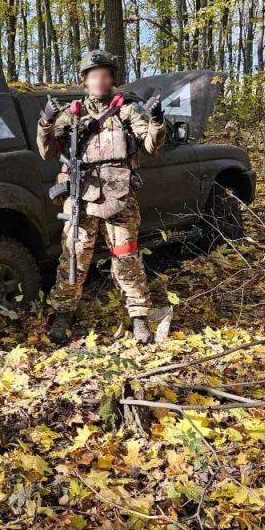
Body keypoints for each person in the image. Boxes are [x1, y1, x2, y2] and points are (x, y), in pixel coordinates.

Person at [37, 49, 166, 344]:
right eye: (94, 75)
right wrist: (45, 121)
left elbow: (152, 147)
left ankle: (139, 318)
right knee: (73, 258)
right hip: (80, 196)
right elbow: (48, 152)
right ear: (85, 80)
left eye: (105, 75)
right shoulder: (72, 113)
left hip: (119, 196)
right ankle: (63, 314)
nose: (99, 80)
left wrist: (157, 121)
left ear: (111, 79)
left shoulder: (126, 111)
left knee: (127, 257)